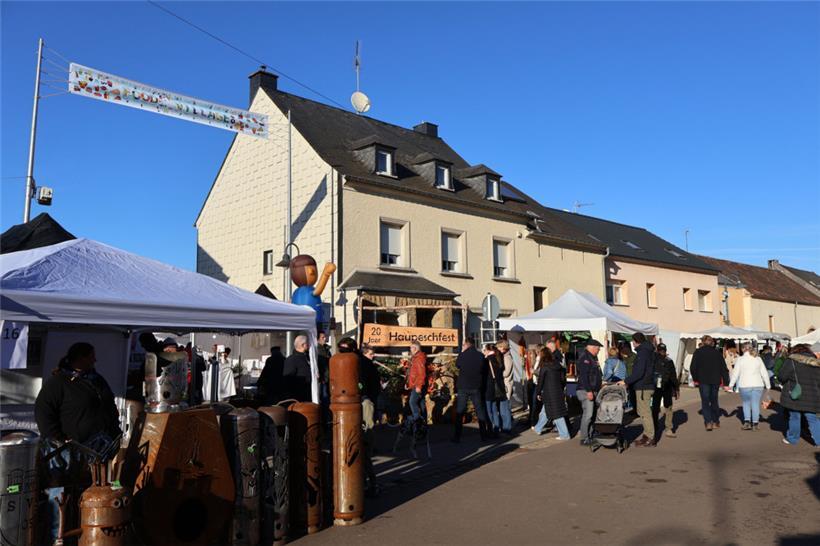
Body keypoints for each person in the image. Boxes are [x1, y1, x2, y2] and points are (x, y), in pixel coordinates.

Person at [35, 343, 123, 542]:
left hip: (97, 449)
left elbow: (109, 405)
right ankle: (57, 538)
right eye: (91, 356)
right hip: (66, 450)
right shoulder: (58, 382)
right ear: (79, 358)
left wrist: (114, 430)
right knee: (61, 496)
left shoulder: (96, 379)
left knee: (92, 495)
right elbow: (43, 412)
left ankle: (88, 536)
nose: (95, 360)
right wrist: (58, 438)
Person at [777, 344, 820, 446]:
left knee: (794, 416)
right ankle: (819, 440)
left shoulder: (791, 361)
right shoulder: (816, 362)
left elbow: (782, 376)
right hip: (812, 395)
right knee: (812, 418)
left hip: (795, 394)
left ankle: (792, 439)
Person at [622, 333, 657, 447]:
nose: (632, 343)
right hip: (646, 385)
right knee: (643, 412)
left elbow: (639, 372)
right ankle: (647, 436)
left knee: (645, 412)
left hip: (643, 386)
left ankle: (650, 437)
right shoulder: (647, 351)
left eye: (633, 341)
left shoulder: (643, 352)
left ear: (637, 341)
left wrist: (626, 381)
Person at [452, 337, 490, 442]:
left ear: (467, 344)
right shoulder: (481, 356)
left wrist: (463, 352)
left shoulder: (462, 355)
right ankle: (483, 435)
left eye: (464, 344)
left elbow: (457, 365)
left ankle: (457, 436)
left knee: (460, 411)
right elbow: (484, 369)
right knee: (479, 410)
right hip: (476, 386)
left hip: (463, 387)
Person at [690, 335, 729, 431]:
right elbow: (724, 369)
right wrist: (726, 382)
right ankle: (715, 421)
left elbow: (693, 367)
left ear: (702, 342)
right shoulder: (717, 353)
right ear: (712, 343)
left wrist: (696, 379)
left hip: (703, 380)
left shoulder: (698, 352)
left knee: (705, 401)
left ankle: (708, 422)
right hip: (715, 380)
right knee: (714, 400)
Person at [729, 342, 771, 431]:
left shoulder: (740, 359)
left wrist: (731, 385)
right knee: (755, 404)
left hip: (744, 385)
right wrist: (768, 385)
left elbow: (735, 373)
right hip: (758, 384)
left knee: (746, 403)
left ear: (743, 349)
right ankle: (755, 424)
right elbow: (764, 373)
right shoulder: (758, 359)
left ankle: (747, 422)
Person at [533, 347, 570, 440]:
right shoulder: (558, 365)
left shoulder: (544, 366)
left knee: (557, 414)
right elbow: (562, 379)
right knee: (546, 410)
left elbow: (540, 380)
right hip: (558, 391)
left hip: (549, 392)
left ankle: (565, 435)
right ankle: (538, 428)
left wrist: (538, 392)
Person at [575, 339, 603, 446]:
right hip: (586, 390)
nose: (599, 350)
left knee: (592, 415)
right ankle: (584, 438)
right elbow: (584, 376)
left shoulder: (591, 357)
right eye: (597, 348)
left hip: (591, 390)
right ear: (591, 347)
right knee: (588, 415)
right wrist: (589, 391)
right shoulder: (585, 358)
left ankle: (590, 435)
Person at [651, 343, 680, 438]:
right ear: (657, 350)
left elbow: (673, 376)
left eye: (663, 350)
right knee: (655, 408)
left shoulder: (669, 361)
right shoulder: (653, 360)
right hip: (656, 387)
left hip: (666, 387)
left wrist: (676, 388)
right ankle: (655, 427)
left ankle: (668, 428)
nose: (662, 352)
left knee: (668, 407)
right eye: (660, 350)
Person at [483, 344, 505, 437]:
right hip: (497, 388)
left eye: (484, 349)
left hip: (488, 388)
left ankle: (490, 430)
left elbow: (483, 375)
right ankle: (497, 428)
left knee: (488, 411)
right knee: (494, 409)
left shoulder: (487, 360)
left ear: (488, 350)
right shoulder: (498, 358)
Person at [282, 335, 312, 402]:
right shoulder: (292, 359)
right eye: (308, 343)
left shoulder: (308, 357)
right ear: (303, 345)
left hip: (308, 394)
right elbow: (288, 379)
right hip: (298, 397)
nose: (310, 345)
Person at [405, 341, 427, 423]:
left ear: (415, 348)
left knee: (412, 402)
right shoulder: (415, 357)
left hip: (417, 385)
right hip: (416, 384)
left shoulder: (419, 358)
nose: (410, 349)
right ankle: (423, 423)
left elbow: (421, 373)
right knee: (421, 404)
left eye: (411, 347)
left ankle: (417, 421)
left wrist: (418, 386)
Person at [496, 340, 514, 434]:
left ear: (503, 347)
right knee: (503, 408)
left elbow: (506, 373)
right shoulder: (504, 357)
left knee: (505, 409)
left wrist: (497, 373)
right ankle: (505, 426)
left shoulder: (507, 358)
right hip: (504, 385)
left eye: (499, 347)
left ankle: (507, 427)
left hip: (506, 386)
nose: (497, 349)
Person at [528, 344, 545, 427]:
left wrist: (534, 371)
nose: (534, 352)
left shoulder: (542, 360)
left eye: (535, 350)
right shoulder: (536, 359)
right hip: (534, 383)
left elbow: (542, 372)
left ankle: (535, 422)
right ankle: (533, 421)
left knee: (536, 404)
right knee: (534, 403)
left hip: (539, 384)